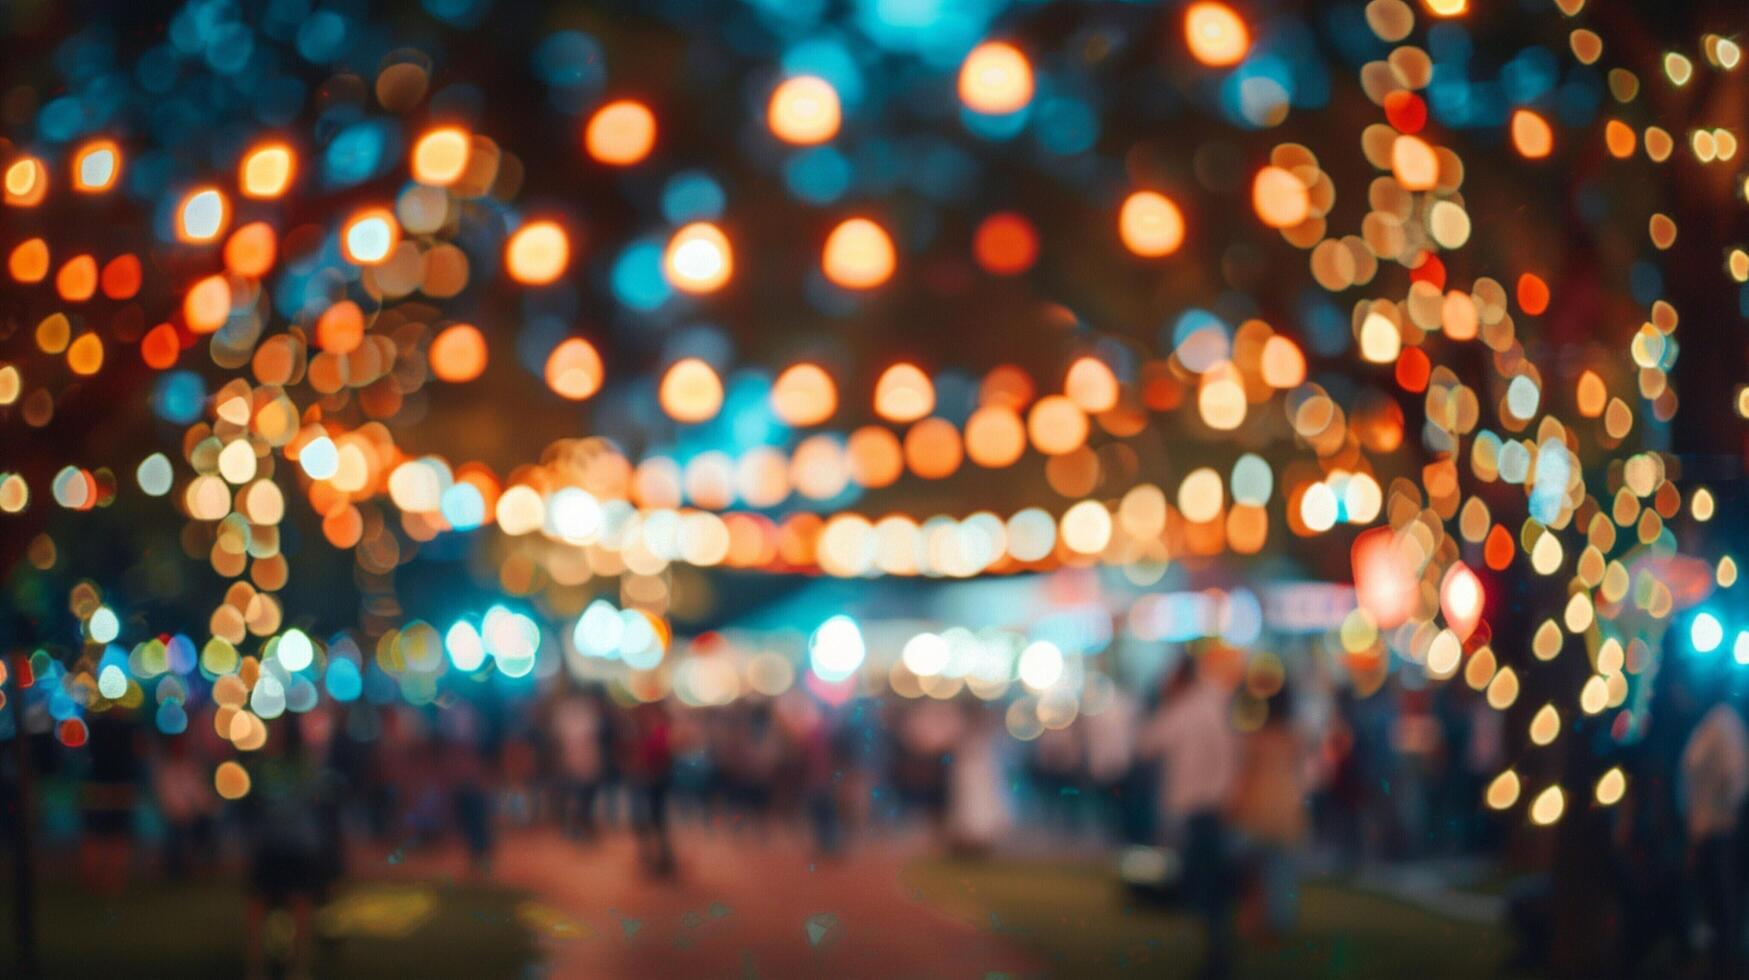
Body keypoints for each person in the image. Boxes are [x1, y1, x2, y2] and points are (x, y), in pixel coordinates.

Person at [1138, 657, 1239, 980]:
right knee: (1213, 888)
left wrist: (1163, 701)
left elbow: (1148, 743)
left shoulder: (1184, 710)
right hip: (1216, 806)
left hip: (1196, 807)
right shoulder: (1217, 706)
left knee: (1203, 889)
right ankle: (1217, 955)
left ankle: (1215, 960)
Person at [1681, 696, 1749, 979]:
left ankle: (1727, 968)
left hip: (1720, 834)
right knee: (1711, 909)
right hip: (1706, 835)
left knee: (1723, 910)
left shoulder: (1725, 722)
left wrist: (1723, 815)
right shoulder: (1706, 725)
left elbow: (1736, 778)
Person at [1229, 690, 1306, 939]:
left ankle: (1252, 922)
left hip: (1257, 810)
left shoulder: (1256, 739)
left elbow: (1244, 776)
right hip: (1285, 811)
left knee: (1252, 875)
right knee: (1280, 875)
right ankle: (1277, 924)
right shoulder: (1294, 738)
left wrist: (1234, 806)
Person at [627, 702, 677, 877]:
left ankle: (663, 857)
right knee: (642, 819)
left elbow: (665, 753)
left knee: (657, 819)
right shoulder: (639, 730)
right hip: (642, 779)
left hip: (656, 779)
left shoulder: (661, 731)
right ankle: (649, 855)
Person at [551, 687, 605, 841]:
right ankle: (575, 828)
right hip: (572, 762)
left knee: (585, 798)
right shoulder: (568, 713)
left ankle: (582, 827)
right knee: (573, 798)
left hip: (586, 762)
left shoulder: (586, 713)